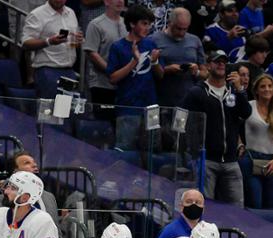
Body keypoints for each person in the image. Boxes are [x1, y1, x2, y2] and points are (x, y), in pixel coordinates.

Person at [184, 50, 251, 207]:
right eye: (217, 61)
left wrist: (240, 90)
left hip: (231, 160)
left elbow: (246, 113)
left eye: (224, 62)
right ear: (208, 65)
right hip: (207, 160)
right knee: (206, 207)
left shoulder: (233, 92)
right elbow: (184, 121)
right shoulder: (197, 92)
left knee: (237, 210)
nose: (221, 64)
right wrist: (195, 151)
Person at [107, 5, 163, 151]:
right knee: (125, 151)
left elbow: (160, 75)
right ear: (132, 24)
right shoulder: (117, 47)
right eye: (144, 23)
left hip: (151, 107)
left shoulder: (151, 44)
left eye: (149, 24)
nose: (148, 28)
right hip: (128, 108)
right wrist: (134, 62)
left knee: (153, 152)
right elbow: (113, 78)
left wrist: (155, 62)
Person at [243, 74, 273, 210]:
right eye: (263, 86)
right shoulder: (249, 106)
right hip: (251, 159)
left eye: (270, 86)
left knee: (272, 205)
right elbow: (235, 127)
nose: (267, 89)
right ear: (256, 90)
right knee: (254, 203)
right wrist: (239, 144)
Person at [21, 0, 82, 99]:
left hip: (69, 71)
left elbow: (72, 44)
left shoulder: (71, 13)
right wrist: (49, 41)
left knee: (66, 112)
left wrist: (77, 41)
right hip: (47, 71)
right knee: (47, 111)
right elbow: (25, 43)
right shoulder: (37, 14)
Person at [150, 8, 206, 106]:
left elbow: (205, 74)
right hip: (162, 99)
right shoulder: (154, 40)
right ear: (169, 23)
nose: (181, 33)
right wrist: (167, 69)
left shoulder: (195, 40)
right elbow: (146, 71)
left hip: (188, 100)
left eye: (185, 29)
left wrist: (196, 72)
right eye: (178, 28)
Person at [83, 0, 128, 107]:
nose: (120, 1)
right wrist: (112, 71)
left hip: (124, 84)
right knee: (102, 121)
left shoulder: (127, 24)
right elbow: (92, 53)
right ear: (106, 2)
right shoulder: (96, 24)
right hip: (102, 84)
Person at [10, 150, 60, 226]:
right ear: (16, 171)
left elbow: (56, 230)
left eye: (34, 162)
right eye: (27, 163)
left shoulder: (49, 197)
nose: (34, 165)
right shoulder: (6, 198)